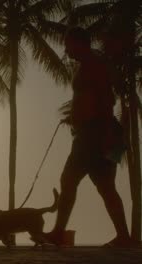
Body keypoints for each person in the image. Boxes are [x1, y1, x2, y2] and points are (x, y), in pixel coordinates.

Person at [44, 27, 135, 248]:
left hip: (94, 134)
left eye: (68, 44)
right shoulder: (87, 65)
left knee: (69, 180)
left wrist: (103, 135)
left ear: (79, 43)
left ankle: (58, 232)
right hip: (92, 132)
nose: (65, 49)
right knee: (105, 186)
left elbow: (106, 101)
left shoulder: (94, 66)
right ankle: (123, 236)